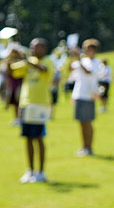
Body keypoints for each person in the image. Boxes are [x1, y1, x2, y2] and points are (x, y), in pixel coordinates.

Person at [10, 38, 53, 183]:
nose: (34, 49)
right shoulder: (29, 61)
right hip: (26, 104)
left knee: (39, 138)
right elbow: (12, 70)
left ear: (44, 49)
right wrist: (11, 54)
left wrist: (26, 58)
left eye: (37, 46)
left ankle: (41, 172)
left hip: (40, 104)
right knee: (27, 138)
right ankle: (30, 171)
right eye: (32, 47)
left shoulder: (48, 61)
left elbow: (43, 69)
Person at [71, 38, 101, 157]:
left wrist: (78, 59)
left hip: (88, 95)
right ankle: (84, 146)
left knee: (88, 122)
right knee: (81, 123)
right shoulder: (82, 61)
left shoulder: (96, 62)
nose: (86, 51)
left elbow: (88, 72)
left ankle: (89, 147)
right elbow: (69, 69)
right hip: (79, 94)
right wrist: (72, 56)